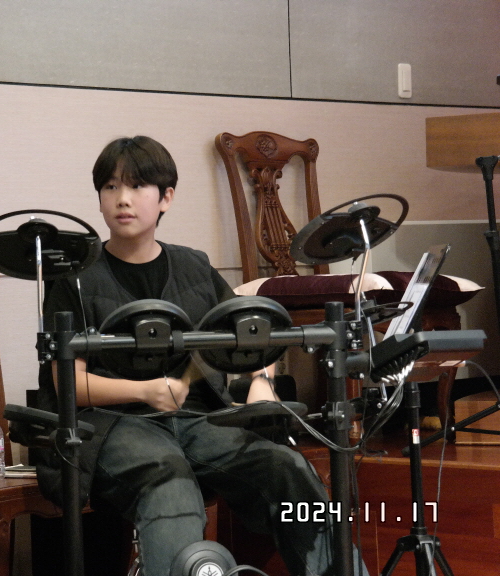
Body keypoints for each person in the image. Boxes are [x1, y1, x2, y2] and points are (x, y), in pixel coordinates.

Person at [34, 135, 357, 576]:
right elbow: (68, 383)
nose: (122, 199)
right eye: (110, 187)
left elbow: (251, 333)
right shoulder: (75, 279)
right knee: (169, 482)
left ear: (166, 198)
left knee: (285, 466)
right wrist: (143, 391)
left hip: (198, 419)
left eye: (137, 186)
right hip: (114, 426)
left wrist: (260, 382)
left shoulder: (194, 266)